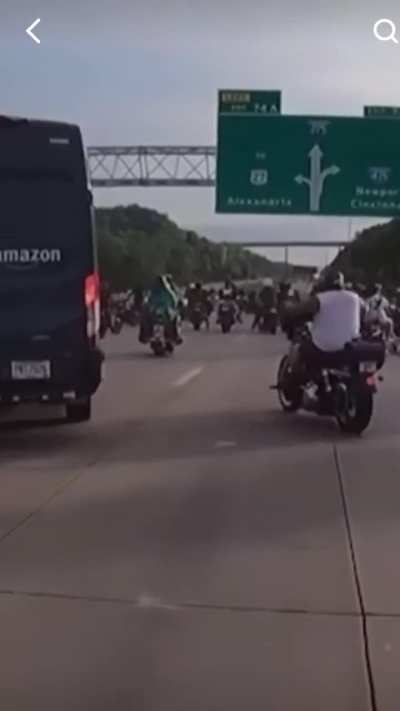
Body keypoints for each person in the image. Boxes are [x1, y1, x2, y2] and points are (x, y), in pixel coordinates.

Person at [282, 270, 366, 379]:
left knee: (299, 348)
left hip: (323, 348)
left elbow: (296, 311)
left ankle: (298, 380)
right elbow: (365, 311)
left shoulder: (320, 298)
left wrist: (287, 308)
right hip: (350, 348)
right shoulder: (356, 298)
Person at [139, 275, 182, 344]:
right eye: (159, 282)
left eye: (161, 282)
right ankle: (145, 335)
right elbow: (147, 299)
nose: (160, 283)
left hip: (167, 310)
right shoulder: (153, 291)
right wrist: (146, 305)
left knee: (176, 317)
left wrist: (177, 305)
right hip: (155, 310)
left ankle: (176, 336)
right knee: (144, 318)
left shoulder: (171, 290)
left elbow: (176, 299)